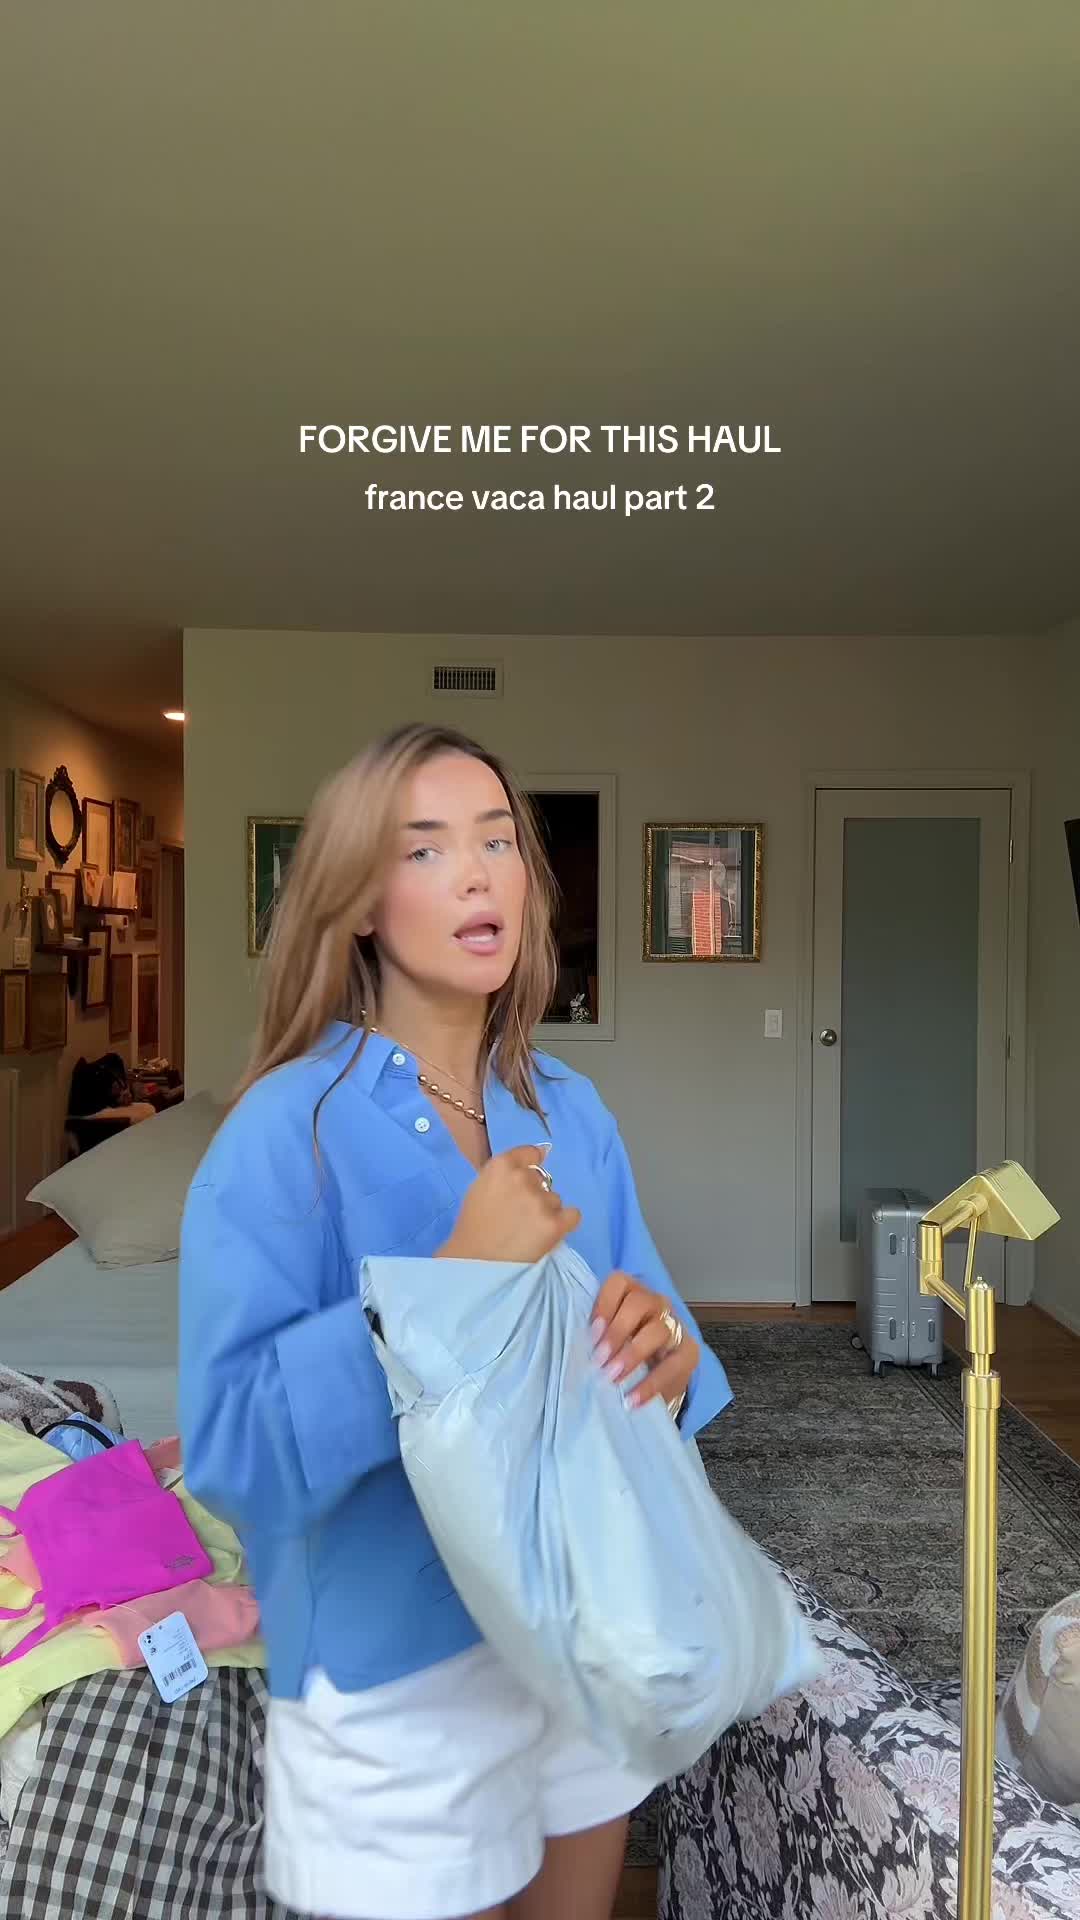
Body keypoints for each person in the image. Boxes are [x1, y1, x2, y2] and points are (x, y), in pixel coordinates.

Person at [179, 723, 733, 1920]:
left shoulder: (571, 1110)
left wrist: (670, 1357)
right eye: (425, 849)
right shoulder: (283, 1132)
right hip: (398, 1672)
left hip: (582, 1633)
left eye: (497, 841)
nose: (477, 874)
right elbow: (231, 1452)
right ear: (358, 902)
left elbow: (665, 1354)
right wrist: (446, 1285)